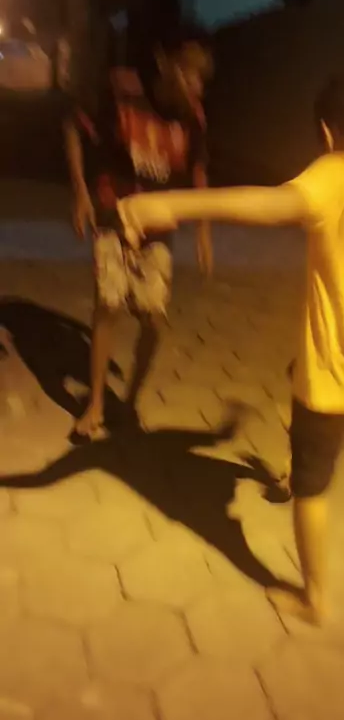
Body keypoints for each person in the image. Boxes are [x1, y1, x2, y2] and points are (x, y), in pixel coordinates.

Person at [117, 72, 344, 624]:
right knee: (301, 375)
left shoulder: (334, 175)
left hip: (335, 374)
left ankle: (314, 597)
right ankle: (300, 457)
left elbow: (264, 204)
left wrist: (167, 204)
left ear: (327, 134)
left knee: (312, 486)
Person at [64, 30, 214, 439]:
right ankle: (96, 404)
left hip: (158, 227)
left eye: (202, 79)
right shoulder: (122, 92)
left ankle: (129, 401)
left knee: (153, 319)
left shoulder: (193, 116)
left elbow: (199, 170)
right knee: (108, 303)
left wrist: (203, 231)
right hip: (114, 214)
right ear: (166, 65)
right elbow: (73, 126)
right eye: (190, 74)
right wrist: (80, 191)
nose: (197, 86)